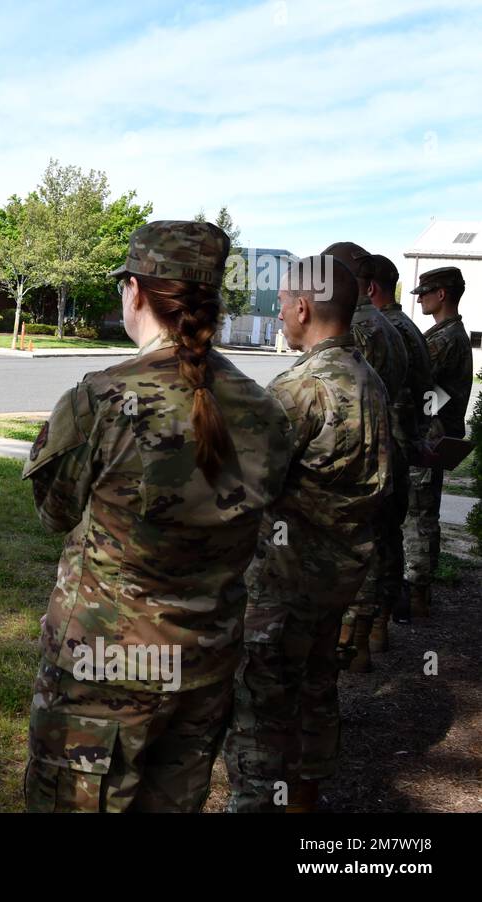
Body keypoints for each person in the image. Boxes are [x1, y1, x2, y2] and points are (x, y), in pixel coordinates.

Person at [22, 221, 292, 813]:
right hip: (204, 663)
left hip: (105, 671)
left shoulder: (101, 399)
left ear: (136, 292)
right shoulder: (265, 409)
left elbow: (53, 513)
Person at [223, 255, 392, 813]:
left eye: (280, 303)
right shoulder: (372, 381)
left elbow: (240, 482)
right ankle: (305, 803)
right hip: (341, 579)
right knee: (317, 691)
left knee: (259, 707)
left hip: (283, 585)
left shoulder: (299, 388)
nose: (277, 314)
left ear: (302, 306)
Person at [323, 241, 405, 672]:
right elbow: (422, 388)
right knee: (384, 542)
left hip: (361, 452)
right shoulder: (396, 327)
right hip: (392, 448)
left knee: (360, 548)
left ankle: (354, 644)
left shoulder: (359, 329)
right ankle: (374, 631)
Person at [359, 254, 435, 636]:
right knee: (390, 537)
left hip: (385, 446)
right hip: (405, 445)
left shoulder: (378, 328)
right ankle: (379, 628)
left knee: (374, 540)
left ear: (368, 288)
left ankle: (364, 633)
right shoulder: (410, 328)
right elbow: (428, 392)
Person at [405, 266, 472, 618]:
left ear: (441, 294)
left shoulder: (445, 339)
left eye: (425, 293)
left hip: (430, 439)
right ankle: (420, 590)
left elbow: (414, 380)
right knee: (424, 512)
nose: (422, 300)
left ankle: (417, 592)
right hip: (437, 437)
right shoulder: (450, 334)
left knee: (418, 516)